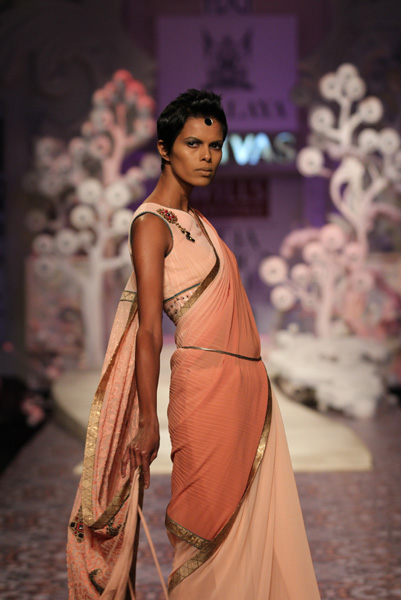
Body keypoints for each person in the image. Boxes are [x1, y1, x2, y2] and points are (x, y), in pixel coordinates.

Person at [67, 89, 321, 599]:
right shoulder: (150, 225)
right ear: (165, 148)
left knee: (254, 527)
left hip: (249, 389)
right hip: (203, 389)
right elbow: (148, 331)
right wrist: (147, 419)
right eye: (193, 144)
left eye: (216, 145)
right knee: (204, 525)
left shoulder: (201, 222)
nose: (207, 156)